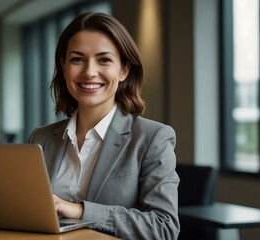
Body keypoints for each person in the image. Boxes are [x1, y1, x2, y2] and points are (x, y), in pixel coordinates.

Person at [28, 13, 180, 239]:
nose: (89, 71)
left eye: (104, 60)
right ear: (63, 66)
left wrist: (80, 210)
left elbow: (164, 227)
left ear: (124, 70)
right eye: (77, 59)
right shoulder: (41, 138)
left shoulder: (153, 138)